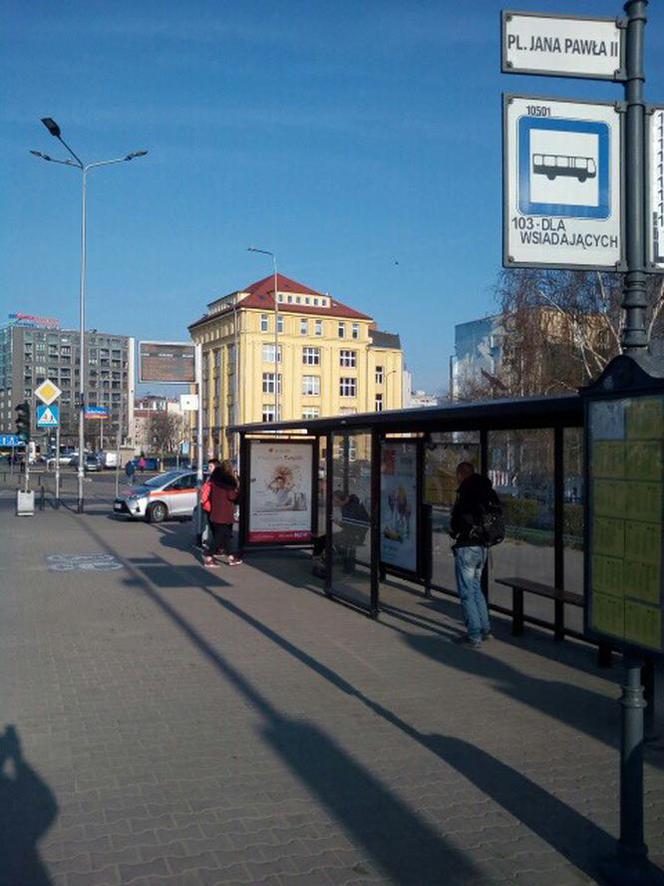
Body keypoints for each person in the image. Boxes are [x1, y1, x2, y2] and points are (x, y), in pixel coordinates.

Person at [449, 462, 497, 648]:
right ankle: (485, 629)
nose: (457, 479)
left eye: (457, 475)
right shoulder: (486, 490)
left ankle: (474, 636)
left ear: (462, 474)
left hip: (467, 547)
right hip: (483, 548)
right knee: (476, 589)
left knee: (467, 592)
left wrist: (454, 530)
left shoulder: (466, 492)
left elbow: (458, 520)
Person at [202, 460, 242, 567]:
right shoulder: (228, 482)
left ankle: (231, 557)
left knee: (226, 536)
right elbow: (232, 497)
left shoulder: (215, 479)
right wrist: (238, 492)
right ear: (230, 469)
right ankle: (209, 557)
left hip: (216, 511)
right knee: (220, 536)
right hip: (224, 513)